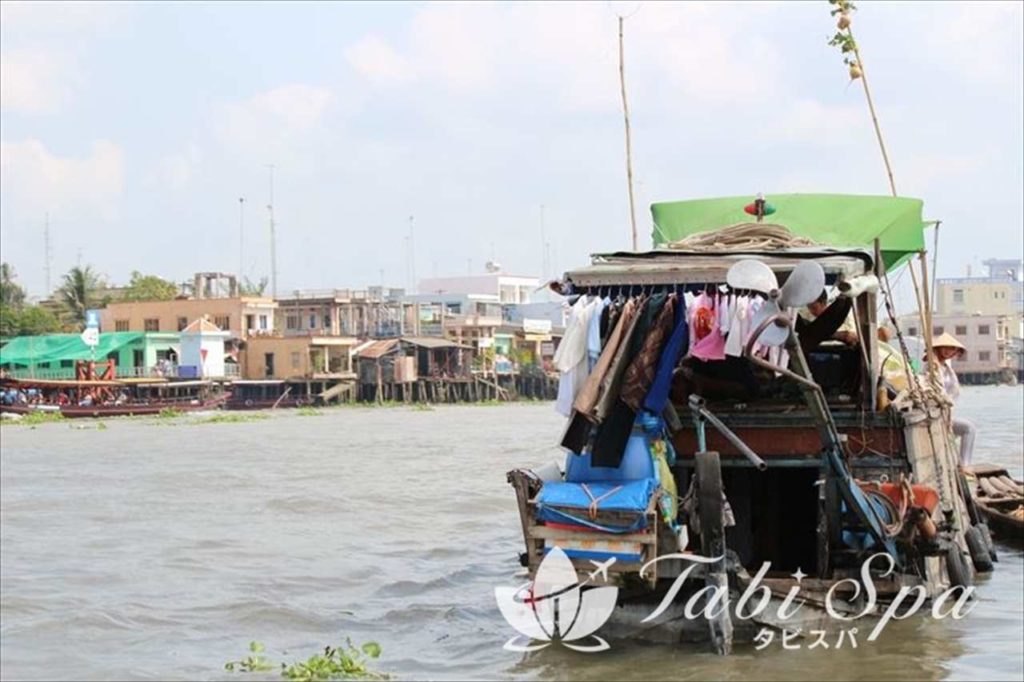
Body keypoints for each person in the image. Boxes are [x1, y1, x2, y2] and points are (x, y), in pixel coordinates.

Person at [928, 332, 975, 466]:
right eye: (945, 348)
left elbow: (952, 393)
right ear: (938, 348)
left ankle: (962, 464)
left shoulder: (946, 367)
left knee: (967, 430)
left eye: (952, 349)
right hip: (936, 413)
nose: (949, 351)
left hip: (947, 412)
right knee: (969, 428)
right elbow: (935, 387)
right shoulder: (933, 366)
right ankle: (964, 465)